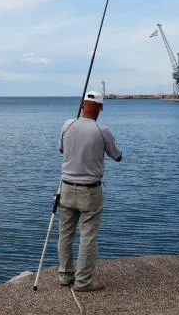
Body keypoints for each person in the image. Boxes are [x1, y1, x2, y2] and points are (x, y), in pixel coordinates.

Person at [57, 90, 123, 292]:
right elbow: (117, 156)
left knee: (65, 234)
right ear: (101, 108)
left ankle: (65, 276)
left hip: (66, 187)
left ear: (81, 105)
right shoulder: (103, 131)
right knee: (88, 236)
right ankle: (83, 282)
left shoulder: (67, 124)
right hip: (90, 191)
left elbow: (61, 149)